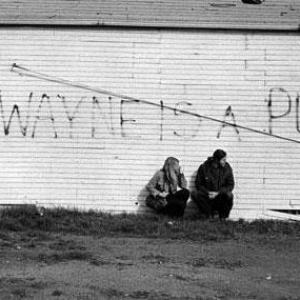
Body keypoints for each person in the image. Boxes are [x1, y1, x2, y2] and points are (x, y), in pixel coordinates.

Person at [192, 149, 234, 219]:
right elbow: (198, 184)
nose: (225, 161)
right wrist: (208, 192)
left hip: (220, 196)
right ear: (217, 160)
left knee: (229, 195)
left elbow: (230, 185)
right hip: (207, 196)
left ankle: (223, 217)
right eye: (223, 160)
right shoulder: (204, 167)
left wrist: (218, 192)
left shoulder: (227, 168)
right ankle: (208, 215)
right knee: (195, 194)